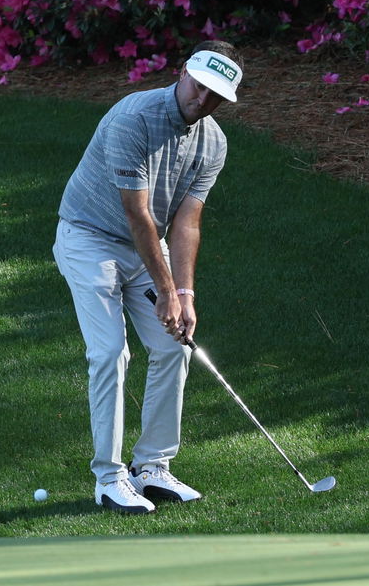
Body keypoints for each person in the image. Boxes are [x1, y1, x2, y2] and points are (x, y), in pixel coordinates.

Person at [52, 39, 243, 513]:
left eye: (216, 96)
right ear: (181, 73)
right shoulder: (132, 118)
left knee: (172, 346)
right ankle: (109, 478)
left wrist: (184, 293)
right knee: (110, 353)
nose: (203, 101)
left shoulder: (213, 141)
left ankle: (153, 467)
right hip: (88, 238)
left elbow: (186, 222)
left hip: (144, 247)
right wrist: (164, 291)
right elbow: (138, 215)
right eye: (199, 87)